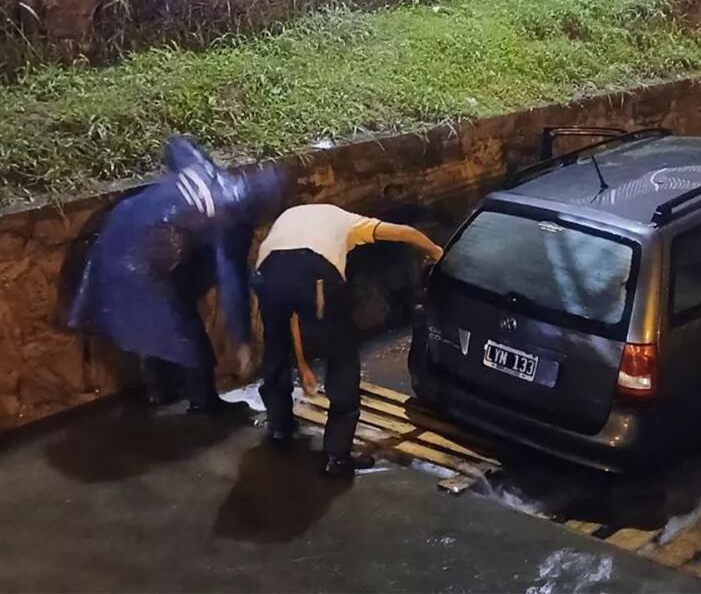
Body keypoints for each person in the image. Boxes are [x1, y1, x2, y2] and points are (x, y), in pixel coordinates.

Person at [68, 135, 284, 413]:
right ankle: (204, 405)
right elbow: (233, 284)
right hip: (140, 263)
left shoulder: (209, 174)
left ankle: (161, 388)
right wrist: (242, 343)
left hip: (115, 237)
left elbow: (176, 144)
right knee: (190, 343)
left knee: (164, 322)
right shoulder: (231, 219)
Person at [253, 204, 443, 478]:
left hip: (267, 272)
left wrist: (303, 364)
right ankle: (337, 457)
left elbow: (291, 316)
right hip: (315, 272)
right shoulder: (349, 221)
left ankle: (280, 427)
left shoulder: (289, 217)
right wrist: (435, 250)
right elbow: (404, 232)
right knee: (341, 356)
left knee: (274, 346)